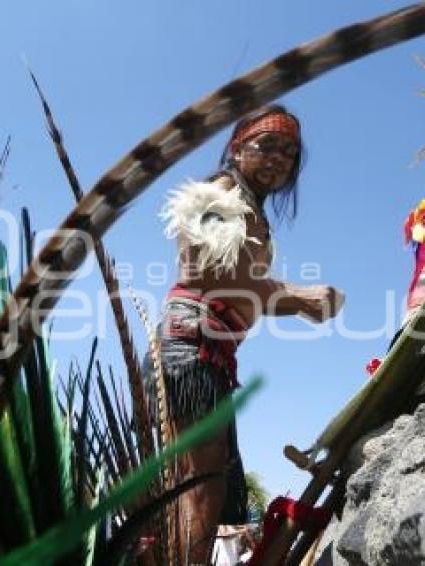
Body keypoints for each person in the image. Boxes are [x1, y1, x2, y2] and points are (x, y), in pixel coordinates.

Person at [143, 104, 344, 564]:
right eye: (268, 145)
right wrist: (300, 297)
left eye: (290, 153)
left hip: (206, 351)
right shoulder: (222, 191)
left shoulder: (247, 207)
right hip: (192, 349)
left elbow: (239, 288)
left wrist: (296, 300)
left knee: (194, 481)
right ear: (238, 148)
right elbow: (219, 276)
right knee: (200, 482)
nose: (280, 159)